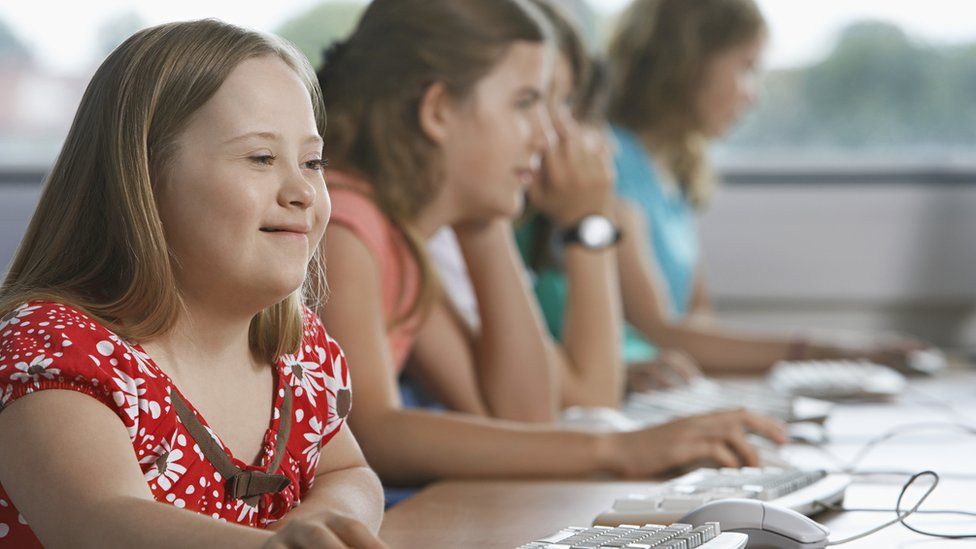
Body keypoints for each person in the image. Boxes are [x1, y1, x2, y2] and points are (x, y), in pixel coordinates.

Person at [316, 0, 785, 492]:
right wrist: (621, 450)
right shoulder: (346, 225)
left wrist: (487, 216)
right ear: (436, 111)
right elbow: (373, 432)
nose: (546, 136)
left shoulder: (403, 236)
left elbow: (527, 414)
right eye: (525, 104)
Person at [0, 20, 385, 548]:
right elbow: (98, 522)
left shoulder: (299, 355)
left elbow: (350, 474)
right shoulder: (52, 347)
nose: (302, 190)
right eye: (261, 158)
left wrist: (321, 524)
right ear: (144, 177)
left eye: (312, 161)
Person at [527, 0, 926, 376]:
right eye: (745, 67)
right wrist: (830, 352)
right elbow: (658, 330)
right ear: (689, 65)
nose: (751, 94)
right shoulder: (608, 162)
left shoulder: (673, 172)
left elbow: (698, 317)